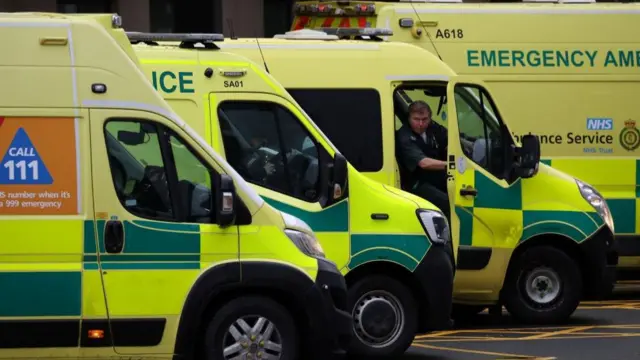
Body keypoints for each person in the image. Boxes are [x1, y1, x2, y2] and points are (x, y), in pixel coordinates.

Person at [396, 100, 451, 221]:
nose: (421, 124)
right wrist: (451, 164)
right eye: (416, 119)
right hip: (416, 183)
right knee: (447, 203)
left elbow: (451, 139)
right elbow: (423, 163)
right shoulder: (403, 136)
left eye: (424, 119)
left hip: (435, 177)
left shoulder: (433, 128)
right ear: (409, 118)